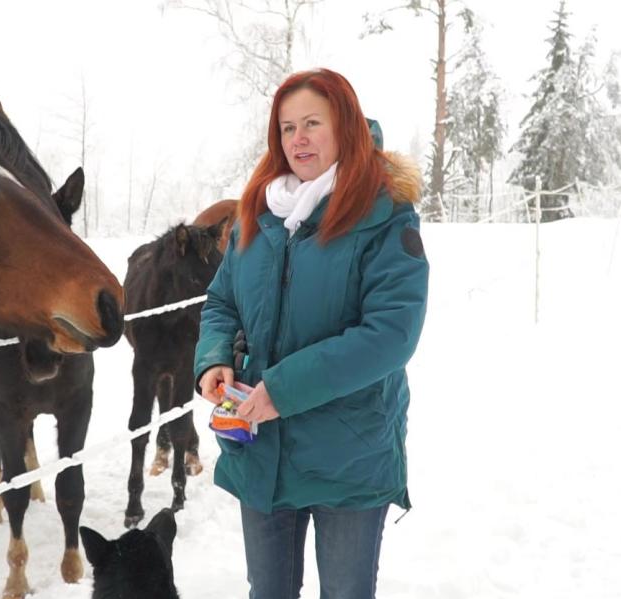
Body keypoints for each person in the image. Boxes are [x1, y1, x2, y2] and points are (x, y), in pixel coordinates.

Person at [194, 68, 429, 599]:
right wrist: (213, 360)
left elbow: (391, 334)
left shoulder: (384, 213)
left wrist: (283, 389)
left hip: (349, 451)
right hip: (261, 450)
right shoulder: (259, 213)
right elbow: (222, 301)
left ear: (343, 126)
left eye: (311, 124)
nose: (297, 139)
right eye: (286, 127)